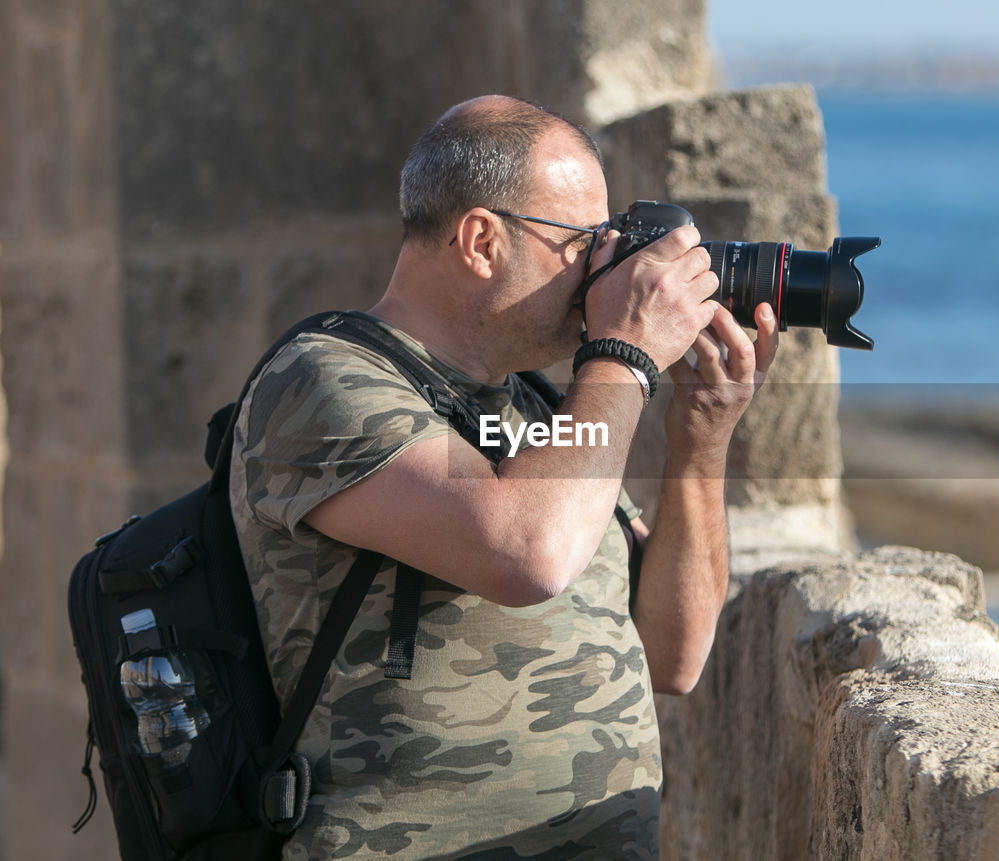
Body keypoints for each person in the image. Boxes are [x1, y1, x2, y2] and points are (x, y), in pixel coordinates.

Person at [229, 94, 778, 859]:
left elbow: (673, 652)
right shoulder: (324, 384)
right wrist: (623, 355)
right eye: (584, 239)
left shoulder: (534, 413)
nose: (603, 266)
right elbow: (528, 550)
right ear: (482, 240)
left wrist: (702, 438)